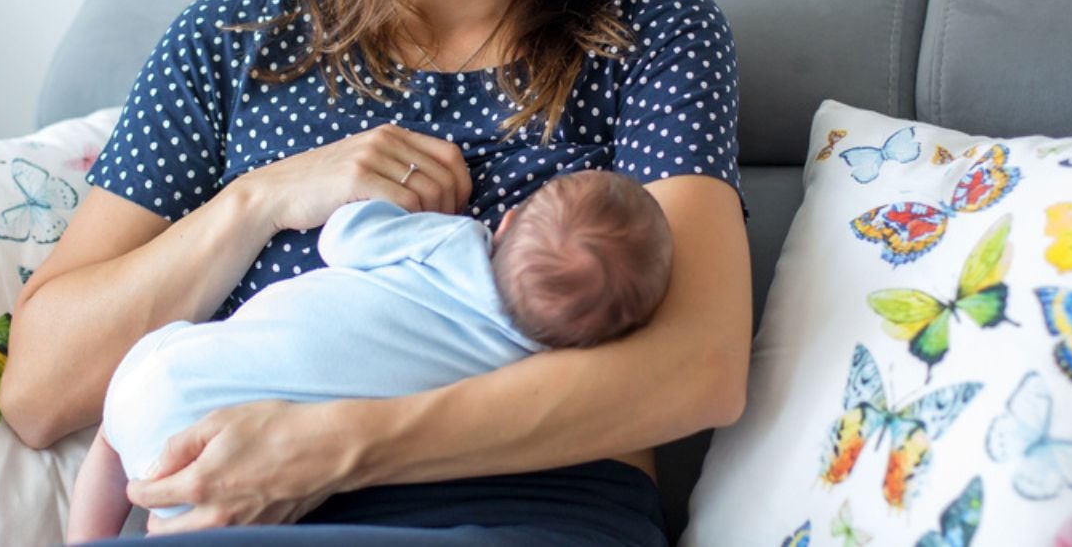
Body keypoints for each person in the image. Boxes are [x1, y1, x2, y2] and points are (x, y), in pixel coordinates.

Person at [1, 0, 752, 543]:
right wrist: (260, 201)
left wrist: (338, 444)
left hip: (534, 513)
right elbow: (39, 393)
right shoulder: (234, 42)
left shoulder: (652, 32)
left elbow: (701, 367)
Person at [66, 169, 674, 543]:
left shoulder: (452, 241)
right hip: (226, 465)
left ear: (508, 220)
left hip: (171, 374)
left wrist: (415, 214)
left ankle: (84, 537)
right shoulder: (519, 371)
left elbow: (345, 235)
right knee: (168, 499)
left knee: (116, 438)